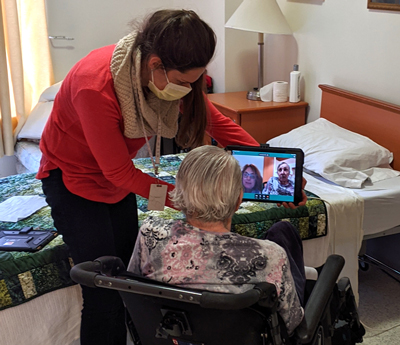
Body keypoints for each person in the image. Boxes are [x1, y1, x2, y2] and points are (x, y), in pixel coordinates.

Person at [37, 9, 258, 345]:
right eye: (184, 82)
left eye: (194, 82)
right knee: (103, 289)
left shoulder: (164, 78)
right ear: (155, 65)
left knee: (130, 277)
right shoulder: (94, 88)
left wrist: (271, 164)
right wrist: (186, 200)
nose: (188, 90)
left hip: (116, 179)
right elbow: (118, 171)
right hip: (73, 179)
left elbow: (216, 123)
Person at [128, 145, 307, 335]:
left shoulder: (150, 233)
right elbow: (293, 322)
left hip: (172, 335)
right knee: (283, 230)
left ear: (179, 192)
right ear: (239, 199)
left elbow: (134, 296)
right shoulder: (271, 255)